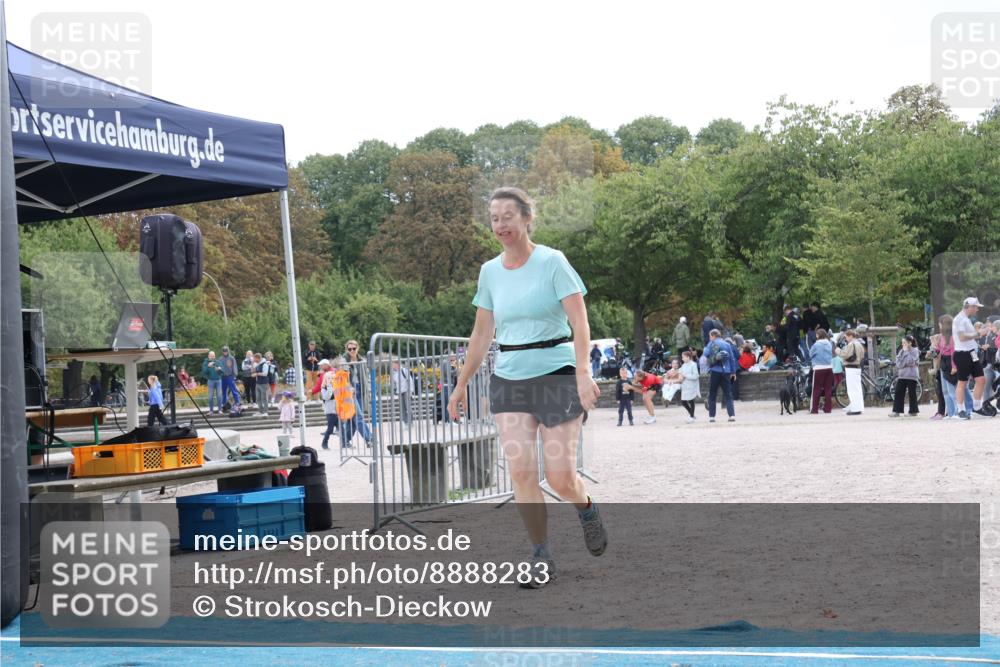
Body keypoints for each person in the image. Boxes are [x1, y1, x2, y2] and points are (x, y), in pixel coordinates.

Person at [447, 186, 606, 590]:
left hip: (556, 375)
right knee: (520, 471)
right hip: (510, 377)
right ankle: (541, 554)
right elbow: (482, 333)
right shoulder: (490, 272)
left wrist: (583, 372)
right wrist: (462, 383)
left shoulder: (553, 262)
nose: (500, 224)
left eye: (507, 216)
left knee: (560, 478)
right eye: (494, 218)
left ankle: (585, 508)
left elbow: (580, 323)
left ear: (526, 218)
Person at [952, 297, 988, 419]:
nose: (977, 309)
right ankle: (960, 410)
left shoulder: (965, 319)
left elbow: (969, 337)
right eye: (976, 307)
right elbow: (962, 337)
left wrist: (977, 334)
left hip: (971, 353)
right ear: (970, 307)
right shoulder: (959, 319)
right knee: (962, 382)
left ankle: (976, 408)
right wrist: (978, 334)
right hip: (962, 354)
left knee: (981, 379)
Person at [701, 329, 737, 422]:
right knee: (728, 394)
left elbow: (705, 355)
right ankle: (731, 415)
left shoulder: (711, 344)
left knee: (712, 394)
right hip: (726, 371)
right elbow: (732, 359)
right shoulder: (727, 344)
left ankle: (712, 416)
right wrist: (733, 372)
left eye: (710, 336)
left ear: (713, 336)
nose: (709, 338)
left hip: (715, 371)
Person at [342, 340, 372, 445]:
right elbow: (344, 376)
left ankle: (344, 440)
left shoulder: (361, 360)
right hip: (349, 391)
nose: (352, 351)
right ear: (347, 350)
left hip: (360, 389)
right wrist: (349, 387)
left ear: (357, 348)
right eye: (349, 349)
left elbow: (366, 376)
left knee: (353, 419)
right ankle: (370, 439)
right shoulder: (344, 360)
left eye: (354, 348)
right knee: (358, 416)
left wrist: (368, 390)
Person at [836, 329, 865, 415]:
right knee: (858, 389)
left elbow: (844, 354)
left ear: (851, 336)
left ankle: (855, 409)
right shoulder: (859, 344)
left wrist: (837, 350)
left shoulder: (852, 344)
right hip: (857, 367)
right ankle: (859, 407)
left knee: (852, 390)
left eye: (846, 337)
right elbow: (862, 355)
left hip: (851, 367)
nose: (846, 339)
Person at [891, 335, 920, 417]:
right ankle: (896, 411)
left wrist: (907, 352)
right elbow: (898, 363)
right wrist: (904, 363)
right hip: (902, 375)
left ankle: (913, 411)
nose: (903, 344)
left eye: (904, 342)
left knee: (912, 393)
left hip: (911, 375)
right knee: (898, 392)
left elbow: (911, 361)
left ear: (910, 343)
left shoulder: (915, 351)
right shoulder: (901, 351)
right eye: (902, 342)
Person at [809, 329, 834, 414]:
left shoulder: (816, 344)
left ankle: (814, 409)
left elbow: (810, 354)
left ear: (818, 335)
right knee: (828, 389)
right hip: (829, 367)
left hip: (819, 368)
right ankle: (828, 408)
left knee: (816, 389)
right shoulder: (829, 344)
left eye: (816, 334)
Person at [316, 360, 338, 449]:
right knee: (330, 429)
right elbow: (327, 397)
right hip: (330, 412)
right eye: (329, 379)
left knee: (342, 429)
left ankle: (345, 443)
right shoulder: (324, 388)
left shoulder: (335, 387)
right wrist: (329, 386)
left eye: (332, 379)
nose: (331, 380)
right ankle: (324, 443)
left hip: (337, 411)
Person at [927, 333, 946, 420]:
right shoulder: (935, 349)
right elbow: (928, 356)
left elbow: (937, 359)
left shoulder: (938, 349)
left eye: (932, 341)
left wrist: (934, 370)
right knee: (939, 392)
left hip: (939, 371)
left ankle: (941, 412)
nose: (931, 343)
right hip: (937, 372)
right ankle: (940, 411)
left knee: (942, 393)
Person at [679, 349, 700, 423]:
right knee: (683, 402)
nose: (682, 358)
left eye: (683, 357)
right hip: (685, 386)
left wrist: (686, 376)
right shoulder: (683, 365)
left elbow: (696, 376)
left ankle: (691, 416)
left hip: (691, 385)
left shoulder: (693, 364)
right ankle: (692, 414)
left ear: (688, 357)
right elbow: (680, 372)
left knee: (691, 400)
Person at [390, 359, 414, 425]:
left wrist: (411, 391)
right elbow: (394, 383)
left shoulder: (404, 370)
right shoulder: (393, 373)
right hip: (399, 392)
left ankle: (410, 421)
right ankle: (406, 421)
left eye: (393, 364)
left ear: (397, 364)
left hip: (406, 391)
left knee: (408, 407)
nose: (392, 365)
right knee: (402, 408)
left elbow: (410, 380)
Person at [218, 345, 241, 410]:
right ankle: (224, 404)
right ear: (222, 352)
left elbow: (234, 367)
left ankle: (237, 403)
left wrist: (234, 375)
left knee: (234, 390)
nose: (225, 352)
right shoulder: (220, 359)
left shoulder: (231, 358)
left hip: (230, 376)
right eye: (224, 351)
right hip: (223, 377)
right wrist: (219, 374)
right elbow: (218, 368)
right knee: (224, 392)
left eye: (226, 351)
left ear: (228, 351)